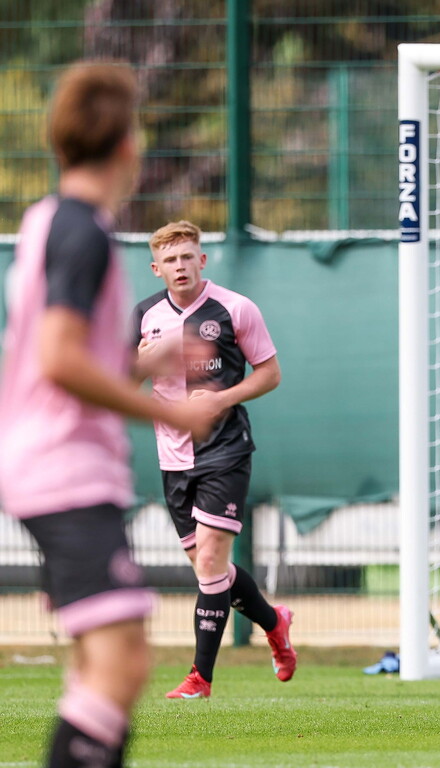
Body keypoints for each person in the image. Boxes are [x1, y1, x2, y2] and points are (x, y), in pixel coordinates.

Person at [0, 61, 217, 768]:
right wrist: (173, 411)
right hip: (64, 470)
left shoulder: (46, 221)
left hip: (45, 463)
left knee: (103, 666)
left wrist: (140, 366)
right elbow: (59, 362)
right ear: (129, 145)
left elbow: (55, 360)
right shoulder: (83, 232)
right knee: (122, 663)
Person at [133, 219, 296, 698]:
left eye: (188, 256)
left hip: (225, 449)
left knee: (208, 563)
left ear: (202, 260)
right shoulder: (144, 317)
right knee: (213, 572)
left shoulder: (235, 308)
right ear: (156, 268)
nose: (180, 266)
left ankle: (199, 678)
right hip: (173, 458)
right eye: (170, 260)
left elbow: (270, 374)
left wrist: (220, 400)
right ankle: (274, 622)